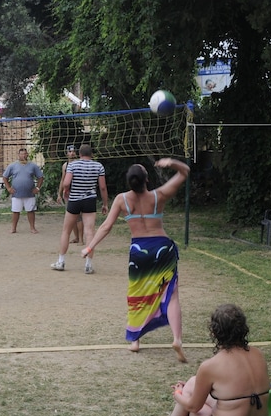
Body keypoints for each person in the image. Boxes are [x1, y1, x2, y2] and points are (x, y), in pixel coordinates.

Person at [131, 304, 270, 416]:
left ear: (215, 332)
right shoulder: (258, 354)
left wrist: (178, 393)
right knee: (192, 383)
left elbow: (193, 406)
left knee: (191, 408)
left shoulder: (211, 366)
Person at [80, 158, 190, 361]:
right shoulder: (159, 195)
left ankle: (135, 340)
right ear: (146, 179)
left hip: (139, 250)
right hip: (162, 247)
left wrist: (90, 246)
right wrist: (171, 162)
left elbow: (106, 226)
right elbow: (184, 172)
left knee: (137, 294)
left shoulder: (121, 199)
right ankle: (177, 339)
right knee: (172, 294)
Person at [52, 144, 108, 274]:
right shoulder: (98, 166)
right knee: (89, 232)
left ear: (80, 154)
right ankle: (88, 265)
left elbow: (66, 183)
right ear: (91, 154)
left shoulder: (72, 165)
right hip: (90, 200)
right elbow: (103, 187)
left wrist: (66, 191)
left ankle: (61, 261)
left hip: (75, 199)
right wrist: (105, 204)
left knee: (66, 231)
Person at [2, 147, 44, 234]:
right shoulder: (13, 166)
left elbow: (40, 177)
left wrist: (37, 188)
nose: (23, 156)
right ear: (18, 155)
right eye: (21, 154)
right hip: (16, 193)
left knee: (30, 211)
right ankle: (13, 228)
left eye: (25, 154)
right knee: (15, 211)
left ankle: (32, 228)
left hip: (30, 193)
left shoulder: (33, 166)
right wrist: (8, 188)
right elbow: (5, 177)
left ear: (27, 155)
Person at [58, 144, 83, 245]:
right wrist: (59, 194)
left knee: (79, 217)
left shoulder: (80, 163)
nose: (72, 153)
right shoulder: (65, 165)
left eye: (73, 151)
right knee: (71, 217)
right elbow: (63, 180)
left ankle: (81, 239)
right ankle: (76, 237)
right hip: (68, 194)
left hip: (78, 193)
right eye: (70, 151)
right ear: (67, 153)